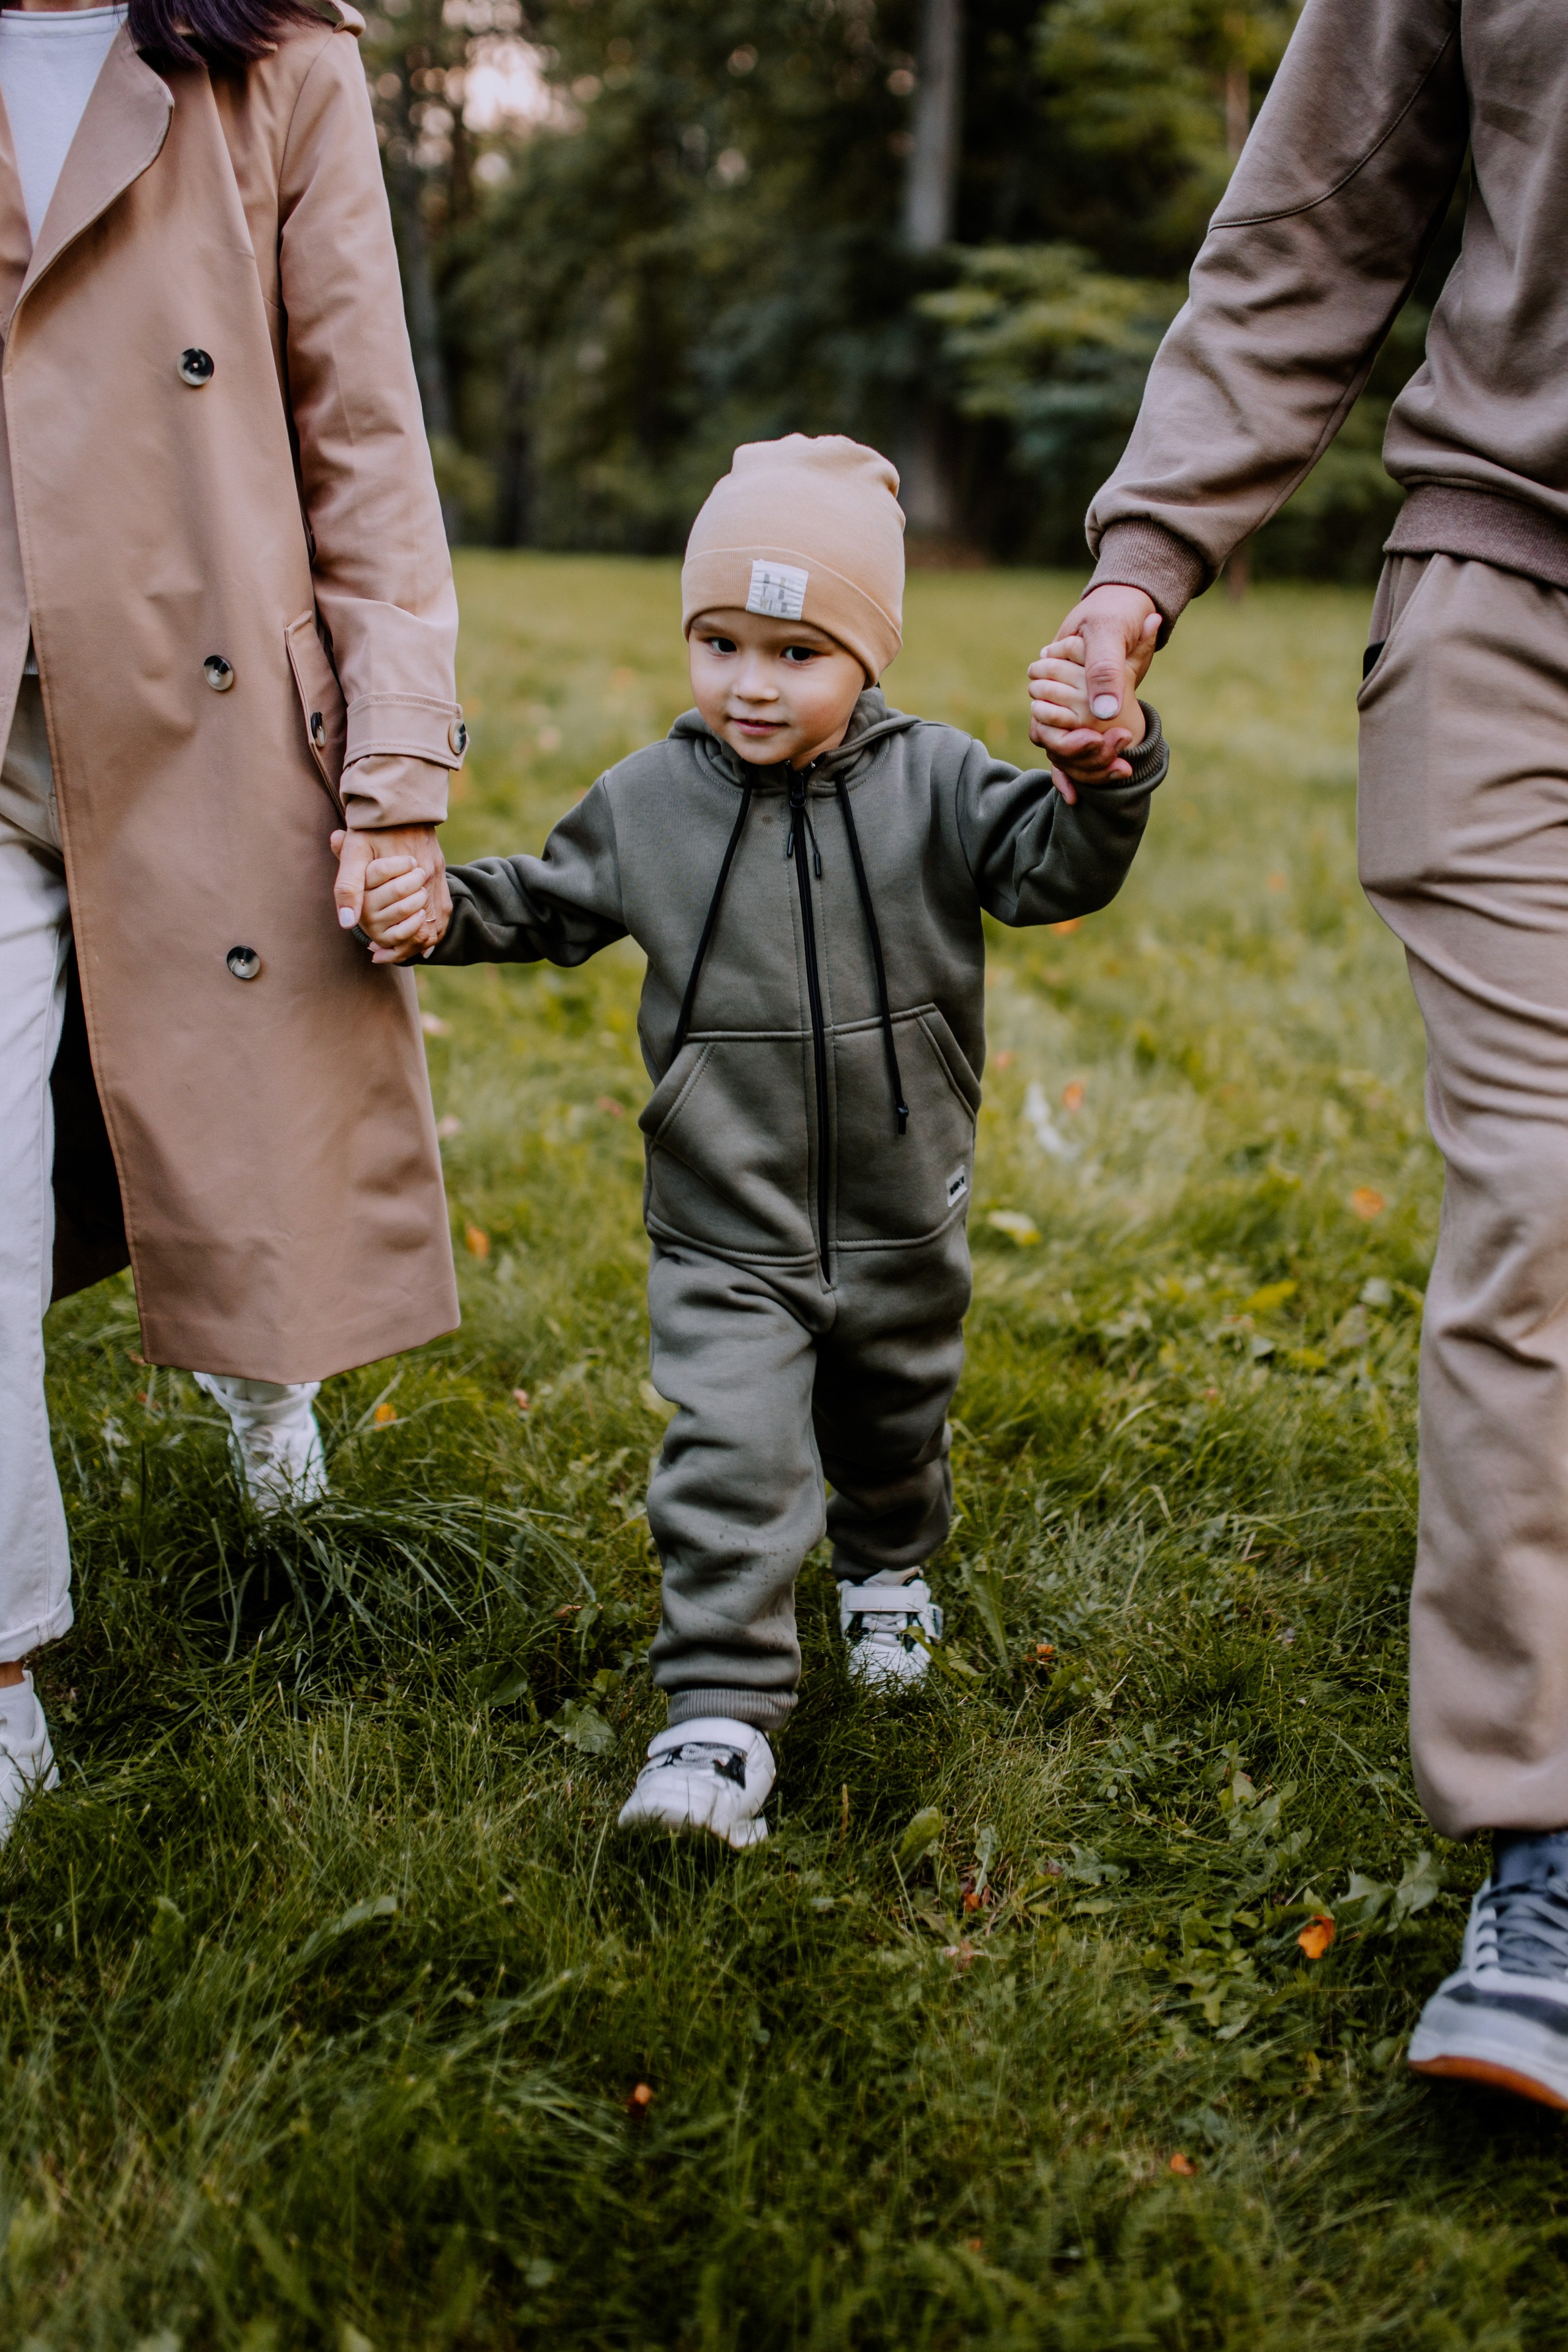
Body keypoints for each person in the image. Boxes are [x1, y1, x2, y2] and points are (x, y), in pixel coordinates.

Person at [359, 434, 1168, 1849]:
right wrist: (440, 909)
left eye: (795, 651)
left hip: (901, 1204)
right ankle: (718, 1718)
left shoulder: (937, 784)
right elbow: (547, 900)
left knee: (889, 1421)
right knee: (728, 1452)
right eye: (719, 641)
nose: (747, 682)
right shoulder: (648, 802)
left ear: (868, 655)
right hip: (722, 1216)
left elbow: (1050, 871)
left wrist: (1103, 782)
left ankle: (885, 1566)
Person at [1037, 0, 1568, 2108]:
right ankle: (1547, 1843)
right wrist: (1141, 568)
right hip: (1513, 598)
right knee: (1547, 1203)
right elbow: (1317, 219)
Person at [0, 0, 462, 1831]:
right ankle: (9, 1664)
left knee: (236, 1123)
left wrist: (399, 768)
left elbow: (364, 431)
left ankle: (264, 1380)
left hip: (199, 718)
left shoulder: (277, 60)